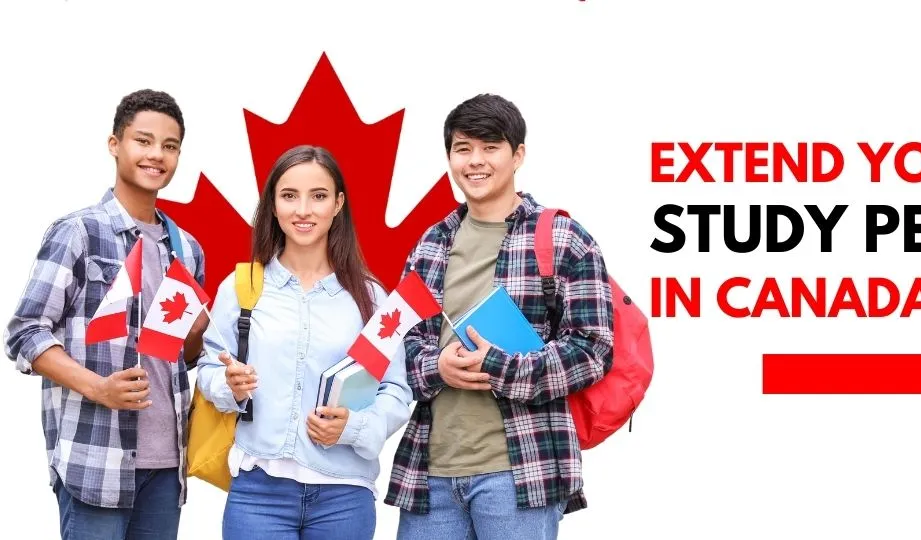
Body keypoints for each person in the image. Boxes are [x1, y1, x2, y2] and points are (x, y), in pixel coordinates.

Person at [385, 93, 615, 539]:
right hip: (430, 474)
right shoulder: (430, 244)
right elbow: (398, 346)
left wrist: (499, 367)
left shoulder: (563, 238)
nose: (476, 161)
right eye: (463, 148)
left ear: (518, 155)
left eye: (491, 147)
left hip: (519, 472)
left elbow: (593, 350)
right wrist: (439, 367)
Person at [4, 89, 207, 540]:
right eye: (144, 140)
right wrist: (100, 388)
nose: (157, 155)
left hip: (167, 465)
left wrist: (196, 336)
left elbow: (178, 357)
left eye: (170, 146)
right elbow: (25, 334)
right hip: (95, 461)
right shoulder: (78, 232)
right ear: (115, 144)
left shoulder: (187, 249)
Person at [197, 145, 412, 540]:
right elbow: (209, 368)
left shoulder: (370, 299)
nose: (303, 210)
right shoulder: (244, 287)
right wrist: (227, 386)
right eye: (289, 196)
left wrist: (356, 427)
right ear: (273, 206)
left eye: (318, 196)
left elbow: (395, 390)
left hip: (344, 497)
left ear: (338, 205)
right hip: (258, 491)